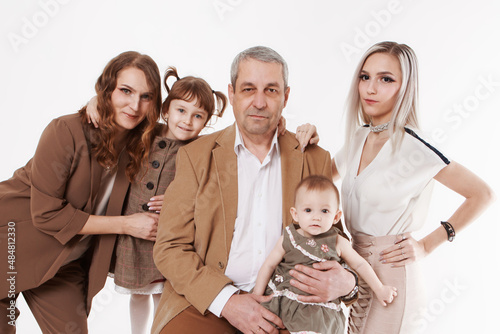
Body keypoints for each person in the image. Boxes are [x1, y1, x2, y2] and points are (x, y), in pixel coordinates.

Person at [152, 46, 358, 334]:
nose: (259, 102)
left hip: (291, 304)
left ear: (285, 97)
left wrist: (348, 283)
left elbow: (334, 238)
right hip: (207, 302)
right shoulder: (196, 155)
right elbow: (170, 248)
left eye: (271, 90)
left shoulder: (313, 157)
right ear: (232, 93)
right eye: (249, 89)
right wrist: (227, 301)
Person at [331, 41, 495, 333]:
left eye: (386, 79)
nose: (370, 88)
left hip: (392, 276)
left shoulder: (414, 146)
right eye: (365, 76)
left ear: (405, 87)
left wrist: (427, 245)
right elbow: (321, 179)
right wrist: (304, 137)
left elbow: (482, 194)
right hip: (357, 270)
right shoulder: (359, 136)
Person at [0, 51, 163, 334]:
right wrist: (127, 225)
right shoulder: (65, 130)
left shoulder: (148, 142)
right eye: (125, 91)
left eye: (146, 96)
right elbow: (47, 214)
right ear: (107, 89)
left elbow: (188, 123)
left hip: (64, 263)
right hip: (11, 243)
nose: (135, 105)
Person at [86, 66, 227, 334]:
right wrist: (95, 101)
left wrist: (186, 200)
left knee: (165, 294)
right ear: (166, 110)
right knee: (139, 293)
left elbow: (216, 187)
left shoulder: (202, 150)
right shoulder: (145, 131)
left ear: (207, 121)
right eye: (181, 111)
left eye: (198, 116)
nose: (187, 121)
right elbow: (116, 115)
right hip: (134, 235)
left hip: (171, 236)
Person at [253, 175, 397, 334]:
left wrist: (380, 288)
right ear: (295, 214)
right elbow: (269, 265)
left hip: (318, 311)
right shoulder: (288, 237)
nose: (316, 216)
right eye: (308, 210)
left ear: (336, 216)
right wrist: (256, 297)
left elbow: (360, 264)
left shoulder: (337, 242)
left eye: (324, 210)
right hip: (285, 299)